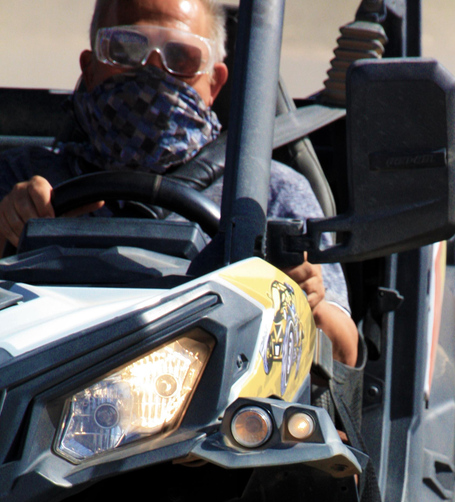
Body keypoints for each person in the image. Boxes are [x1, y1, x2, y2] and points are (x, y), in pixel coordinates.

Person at [0, 0, 359, 366]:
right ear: (89, 69)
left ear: (215, 83)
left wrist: (304, 300)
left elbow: (344, 356)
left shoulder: (266, 190)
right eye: (125, 50)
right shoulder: (19, 178)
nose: (152, 71)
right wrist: (7, 227)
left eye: (181, 57)